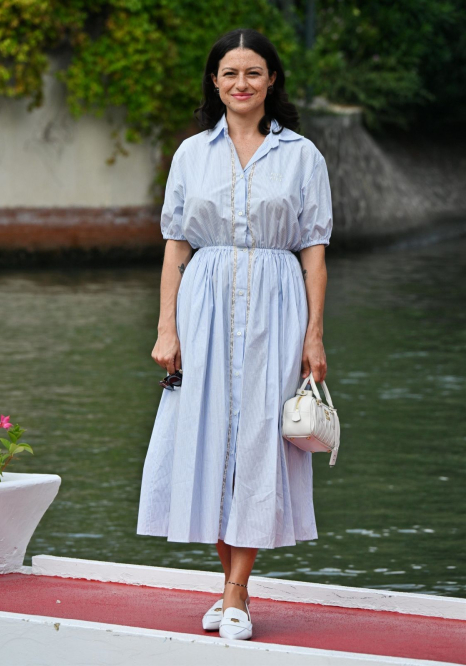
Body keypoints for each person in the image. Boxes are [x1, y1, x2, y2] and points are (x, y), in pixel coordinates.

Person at [137, 27, 333, 641]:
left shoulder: (302, 155)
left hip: (277, 305)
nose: (241, 84)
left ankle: (235, 593)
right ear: (215, 82)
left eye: (253, 72)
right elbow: (175, 245)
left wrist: (315, 336)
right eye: (229, 73)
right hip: (204, 304)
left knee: (257, 442)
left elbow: (314, 252)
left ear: (271, 79)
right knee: (211, 440)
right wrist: (166, 326)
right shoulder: (191, 154)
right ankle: (232, 590)